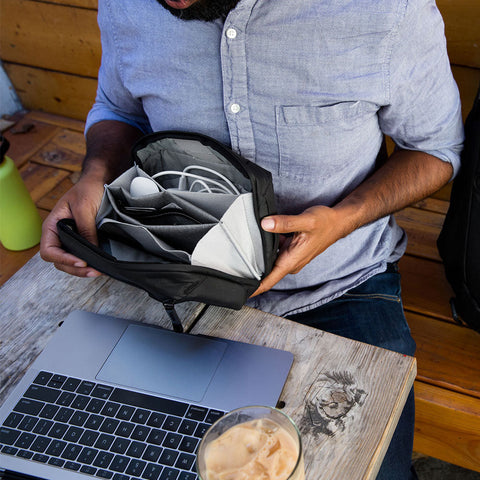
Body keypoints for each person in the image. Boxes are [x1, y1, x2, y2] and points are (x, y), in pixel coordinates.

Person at [40, 0, 464, 478]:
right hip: (173, 279)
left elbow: (435, 149)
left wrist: (344, 218)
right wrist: (96, 172)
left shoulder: (388, 10)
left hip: (339, 286)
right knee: (85, 450)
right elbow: (119, 110)